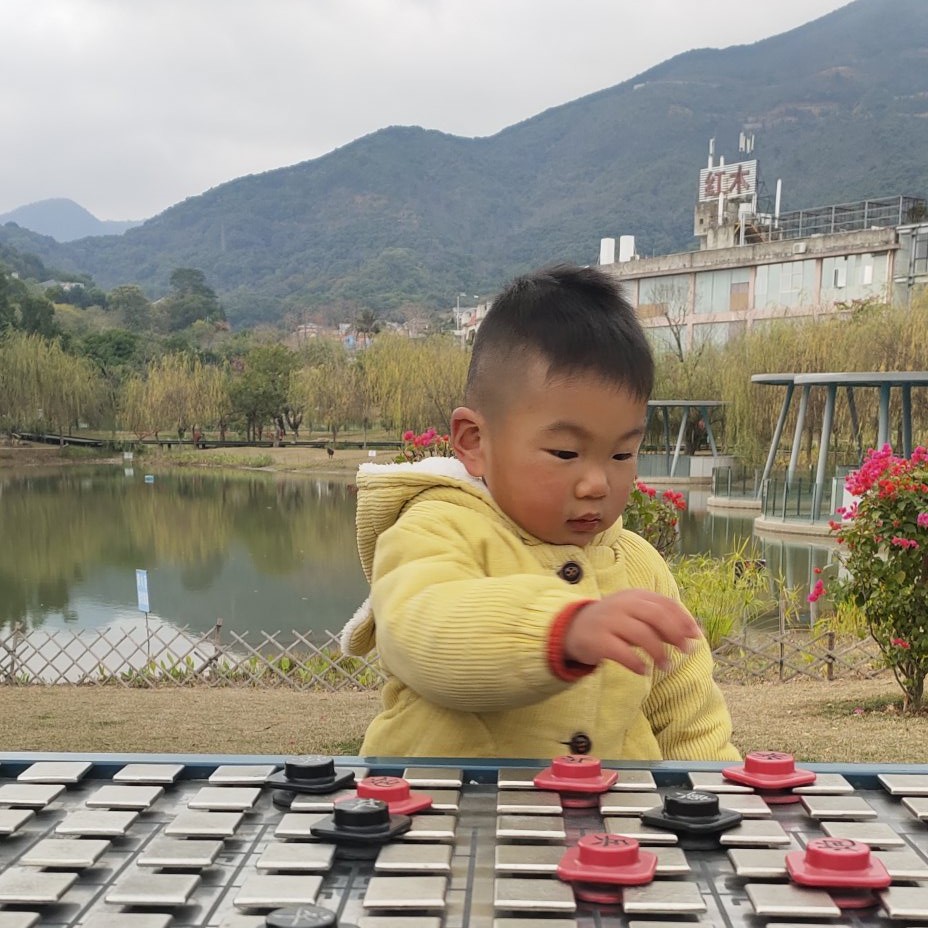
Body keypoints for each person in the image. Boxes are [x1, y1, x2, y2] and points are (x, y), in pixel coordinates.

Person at [341, 264, 739, 761]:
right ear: (475, 441)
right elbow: (424, 633)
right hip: (445, 820)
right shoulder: (436, 529)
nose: (597, 484)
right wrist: (560, 630)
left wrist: (717, 798)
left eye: (621, 455)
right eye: (566, 454)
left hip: (606, 828)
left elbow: (689, 717)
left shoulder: (638, 566)